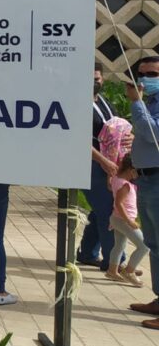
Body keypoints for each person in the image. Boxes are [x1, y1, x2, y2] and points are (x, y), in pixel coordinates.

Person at [77, 64, 121, 269]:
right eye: (91, 78)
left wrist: (129, 137)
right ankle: (115, 262)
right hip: (92, 164)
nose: (95, 82)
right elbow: (78, 139)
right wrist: (103, 161)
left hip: (111, 162)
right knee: (108, 212)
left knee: (99, 210)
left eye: (98, 78)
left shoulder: (104, 102)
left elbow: (117, 127)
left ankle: (87, 253)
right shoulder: (78, 104)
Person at [127, 56, 159, 330]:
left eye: (152, 73)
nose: (145, 78)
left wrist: (136, 103)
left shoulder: (144, 104)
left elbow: (152, 134)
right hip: (146, 180)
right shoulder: (149, 103)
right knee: (154, 244)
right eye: (141, 73)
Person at [106, 155, 148, 287]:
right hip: (123, 219)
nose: (138, 175)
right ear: (131, 169)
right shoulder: (125, 185)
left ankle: (112, 270)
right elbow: (119, 203)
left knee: (119, 245)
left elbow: (110, 185)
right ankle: (129, 271)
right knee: (144, 246)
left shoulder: (117, 180)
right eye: (137, 171)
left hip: (117, 218)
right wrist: (129, 221)